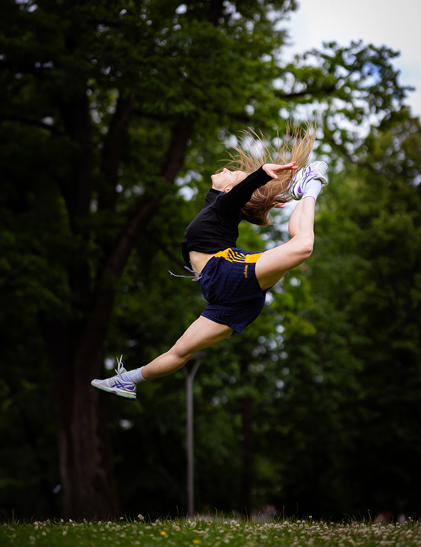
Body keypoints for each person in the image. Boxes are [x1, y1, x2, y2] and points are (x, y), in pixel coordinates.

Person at [91, 127, 328, 400]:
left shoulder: (224, 206)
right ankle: (125, 380)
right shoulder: (213, 206)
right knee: (180, 351)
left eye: (233, 174)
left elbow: (239, 194)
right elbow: (234, 195)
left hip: (226, 272)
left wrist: (262, 173)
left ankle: (311, 185)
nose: (227, 169)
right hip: (225, 295)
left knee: (302, 246)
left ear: (230, 188)